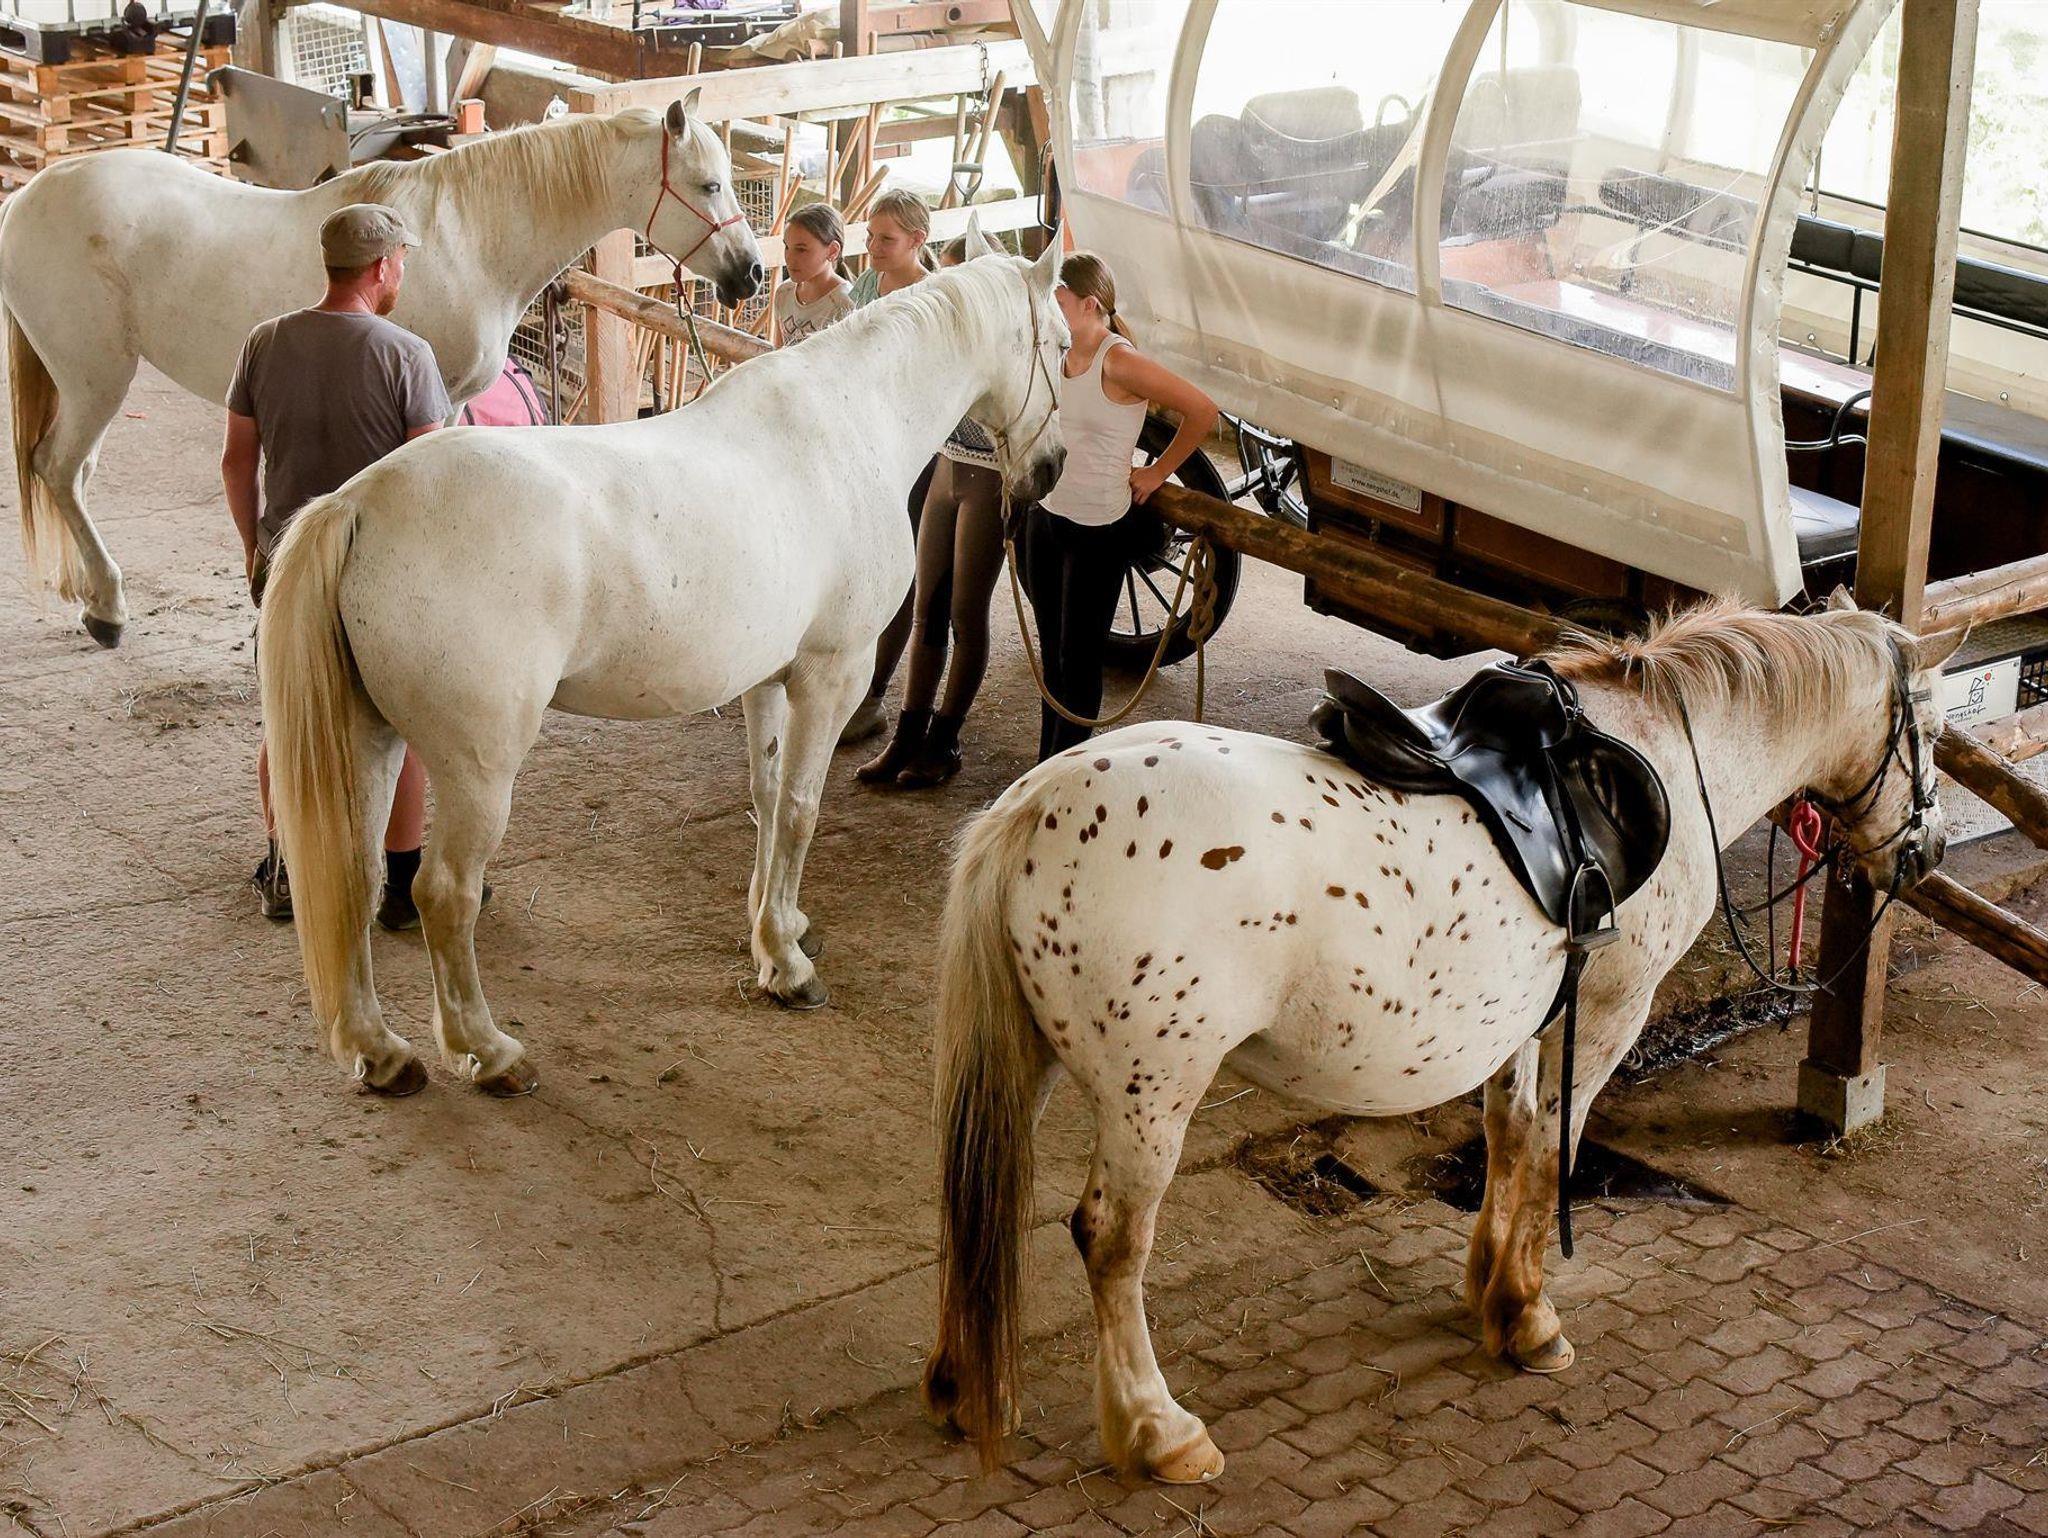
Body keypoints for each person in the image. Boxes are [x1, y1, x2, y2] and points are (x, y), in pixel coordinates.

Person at [225, 203, 451, 927]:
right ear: (381, 266)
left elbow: (237, 461)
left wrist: (255, 548)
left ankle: (285, 869)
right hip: (374, 573)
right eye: (401, 260)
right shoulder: (407, 354)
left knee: (288, 716)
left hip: (287, 561)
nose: (402, 271)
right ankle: (402, 884)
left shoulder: (264, 342)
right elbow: (425, 475)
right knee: (398, 720)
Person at [1022, 251, 1217, 762]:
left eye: (1058, 300)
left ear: (1089, 304)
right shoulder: (1056, 350)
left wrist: (1158, 471)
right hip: (1047, 515)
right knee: (1051, 658)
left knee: (1078, 661)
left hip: (1097, 526)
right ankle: (1045, 769)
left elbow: (1202, 410)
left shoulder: (1120, 361)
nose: (1050, 309)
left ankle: (1064, 774)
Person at [859, 235, 1006, 788]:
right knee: (926, 608)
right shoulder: (947, 338)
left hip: (988, 477)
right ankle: (907, 733)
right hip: (947, 468)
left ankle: (945, 739)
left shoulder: (1001, 342)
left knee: (966, 613)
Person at [837, 189, 937, 746]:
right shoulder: (868, 285)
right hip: (864, 437)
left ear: (917, 241)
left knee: (902, 567)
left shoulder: (932, 296)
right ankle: (847, 678)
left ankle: (873, 693)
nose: (874, 247)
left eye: (886, 239)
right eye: (870, 237)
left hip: (913, 446)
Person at [771, 203, 854, 346]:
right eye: (787, 247)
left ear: (832, 251)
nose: (789, 258)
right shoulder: (784, 293)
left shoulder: (845, 305)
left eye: (801, 250)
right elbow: (778, 352)